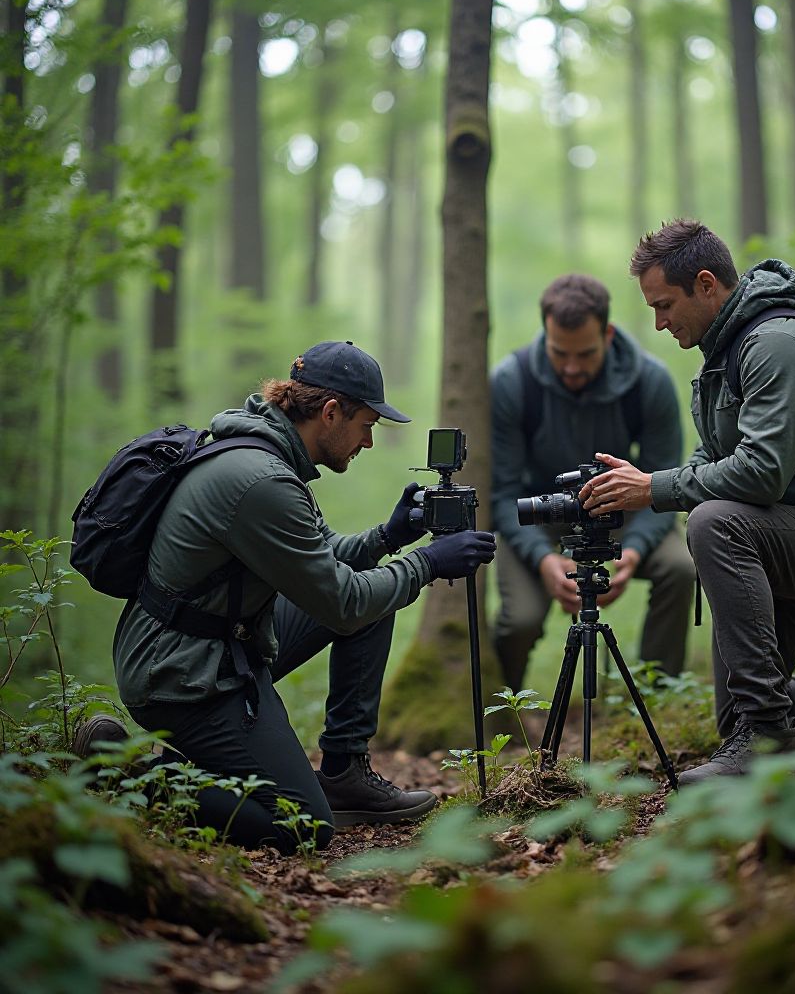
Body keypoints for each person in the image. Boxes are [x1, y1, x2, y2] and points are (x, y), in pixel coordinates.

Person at [92, 341, 496, 849]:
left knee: (375, 601)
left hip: (219, 642)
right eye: (368, 425)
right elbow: (341, 602)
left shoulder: (268, 457)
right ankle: (131, 775)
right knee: (302, 824)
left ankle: (344, 771)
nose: (368, 442)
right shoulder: (260, 480)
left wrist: (389, 539)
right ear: (331, 413)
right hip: (181, 673)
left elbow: (321, 562)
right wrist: (427, 563)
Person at [579, 220, 795, 783]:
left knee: (712, 521)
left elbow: (762, 474)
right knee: (739, 717)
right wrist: (660, 482)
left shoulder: (776, 345)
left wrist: (652, 488)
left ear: (706, 284)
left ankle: (773, 742)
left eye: (663, 305)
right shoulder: (725, 353)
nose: (658, 323)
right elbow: (712, 456)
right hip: (775, 536)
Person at [490, 272, 695, 691]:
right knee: (521, 619)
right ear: (544, 332)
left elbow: (662, 483)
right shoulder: (512, 382)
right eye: (558, 353)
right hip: (540, 515)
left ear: (608, 333)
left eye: (584, 354)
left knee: (679, 568)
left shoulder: (648, 381)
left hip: (623, 508)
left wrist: (633, 554)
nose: (570, 367)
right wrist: (546, 562)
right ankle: (502, 714)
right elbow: (503, 494)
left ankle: (659, 696)